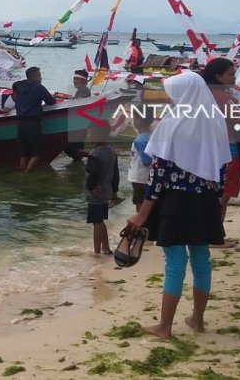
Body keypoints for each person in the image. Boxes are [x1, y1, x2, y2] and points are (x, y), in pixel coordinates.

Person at [125, 71, 231, 339]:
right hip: (205, 200)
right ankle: (197, 319)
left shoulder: (171, 124)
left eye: (173, 94)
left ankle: (165, 326)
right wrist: (217, 203)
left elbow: (157, 176)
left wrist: (142, 215)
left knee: (174, 262)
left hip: (175, 200)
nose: (171, 100)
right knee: (201, 259)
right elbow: (222, 169)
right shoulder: (215, 121)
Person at [202, 58, 240, 226]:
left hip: (208, 151)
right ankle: (216, 235)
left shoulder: (204, 95)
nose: (235, 78)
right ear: (218, 76)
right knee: (222, 197)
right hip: (230, 152)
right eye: (231, 74)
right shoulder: (224, 98)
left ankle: (212, 233)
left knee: (213, 195)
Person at [12, 66, 56, 172]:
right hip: (32, 123)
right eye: (39, 76)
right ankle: (26, 174)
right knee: (36, 153)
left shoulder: (19, 85)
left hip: (20, 123)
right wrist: (54, 96)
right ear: (33, 76)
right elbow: (50, 101)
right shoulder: (38, 87)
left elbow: (14, 95)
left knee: (23, 154)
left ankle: (22, 173)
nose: (41, 79)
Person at [84, 120, 118, 255]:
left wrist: (90, 187)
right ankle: (106, 247)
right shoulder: (111, 151)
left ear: (97, 134)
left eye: (89, 133)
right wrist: (114, 190)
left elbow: (93, 174)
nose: (87, 135)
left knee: (96, 222)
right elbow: (115, 173)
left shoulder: (95, 154)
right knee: (101, 220)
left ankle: (97, 251)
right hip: (106, 191)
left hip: (96, 193)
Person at [127, 112, 154, 212]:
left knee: (140, 203)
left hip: (140, 179)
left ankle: (141, 225)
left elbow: (147, 160)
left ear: (139, 119)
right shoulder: (150, 136)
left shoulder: (141, 140)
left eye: (134, 117)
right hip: (147, 178)